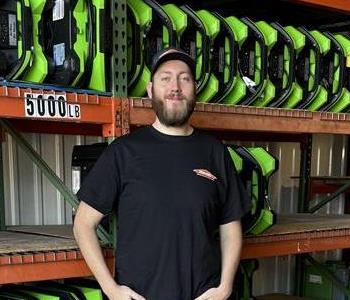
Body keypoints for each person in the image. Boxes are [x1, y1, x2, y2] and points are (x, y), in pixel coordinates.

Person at [73, 47, 250, 300]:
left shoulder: (215, 152)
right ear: (150, 90)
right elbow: (83, 224)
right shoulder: (123, 152)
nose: (175, 87)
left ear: (194, 90)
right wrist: (111, 289)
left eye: (184, 78)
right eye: (165, 78)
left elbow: (230, 226)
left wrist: (224, 287)